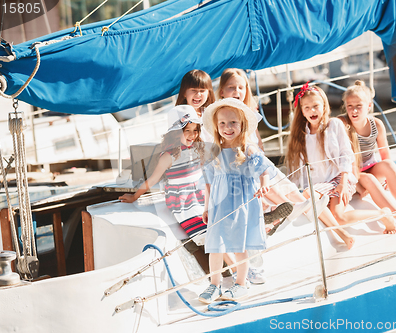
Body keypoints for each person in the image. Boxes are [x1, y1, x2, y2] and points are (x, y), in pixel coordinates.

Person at [286, 82, 396, 235]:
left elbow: (347, 155)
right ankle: (380, 215)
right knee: (333, 213)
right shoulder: (301, 135)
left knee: (327, 208)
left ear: (324, 106)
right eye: (307, 108)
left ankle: (383, 214)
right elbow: (299, 168)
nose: (312, 110)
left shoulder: (334, 125)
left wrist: (343, 183)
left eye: (316, 106)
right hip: (321, 185)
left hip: (338, 179)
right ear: (302, 112)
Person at [198, 98, 275, 303]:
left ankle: (241, 283)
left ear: (242, 125)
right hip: (218, 205)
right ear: (216, 126)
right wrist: (206, 206)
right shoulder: (213, 151)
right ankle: (214, 284)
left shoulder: (248, 149)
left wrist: (264, 184)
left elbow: (265, 169)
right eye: (222, 123)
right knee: (215, 245)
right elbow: (208, 182)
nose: (227, 127)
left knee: (239, 246)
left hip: (240, 205)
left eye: (233, 122)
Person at [217, 68, 312, 226]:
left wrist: (261, 157)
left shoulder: (249, 112)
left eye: (241, 87)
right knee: (268, 179)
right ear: (222, 91)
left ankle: (302, 204)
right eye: (231, 87)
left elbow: (258, 140)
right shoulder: (223, 115)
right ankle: (287, 206)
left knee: (279, 178)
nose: (237, 91)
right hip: (242, 164)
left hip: (257, 159)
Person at [119, 105, 208, 269]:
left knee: (218, 232)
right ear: (175, 133)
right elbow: (152, 180)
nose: (192, 135)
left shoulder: (197, 149)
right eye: (186, 130)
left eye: (195, 130)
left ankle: (234, 274)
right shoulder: (169, 156)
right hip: (185, 202)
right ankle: (229, 276)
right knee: (208, 237)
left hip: (201, 196)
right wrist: (134, 196)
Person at [339, 80, 396, 234]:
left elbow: (385, 155)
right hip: (352, 174)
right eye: (350, 106)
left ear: (369, 106)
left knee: (389, 165)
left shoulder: (376, 125)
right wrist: (357, 184)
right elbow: (340, 160)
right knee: (370, 179)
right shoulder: (342, 124)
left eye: (359, 106)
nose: (354, 111)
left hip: (370, 168)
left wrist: (386, 179)